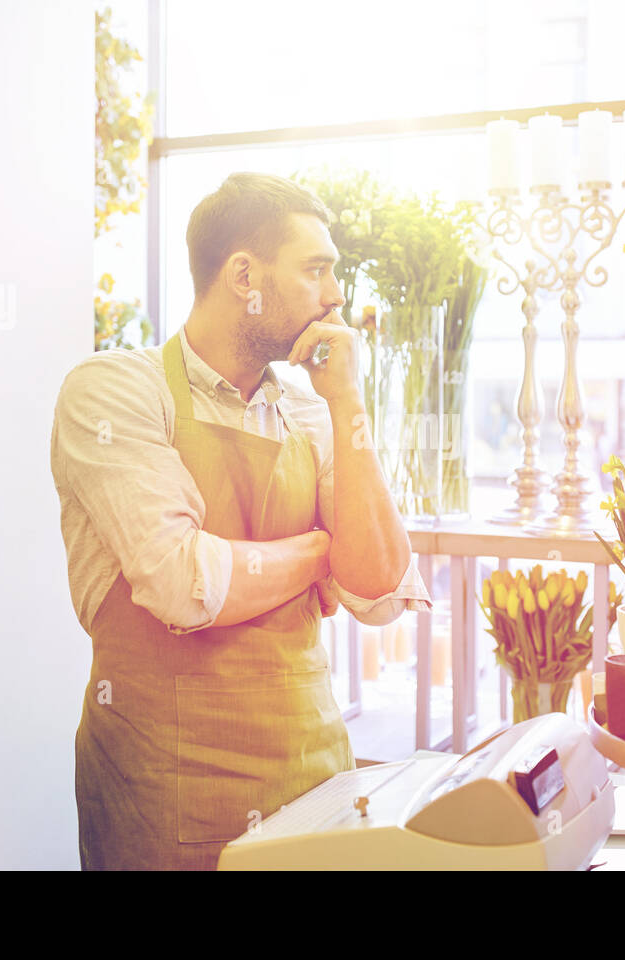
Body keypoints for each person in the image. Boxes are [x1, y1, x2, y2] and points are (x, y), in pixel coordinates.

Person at [51, 172, 431, 870]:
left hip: (313, 780)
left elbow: (378, 593)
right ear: (244, 274)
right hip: (163, 794)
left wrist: (348, 402)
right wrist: (321, 551)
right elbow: (184, 582)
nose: (335, 296)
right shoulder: (113, 390)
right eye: (316, 270)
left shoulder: (313, 410)